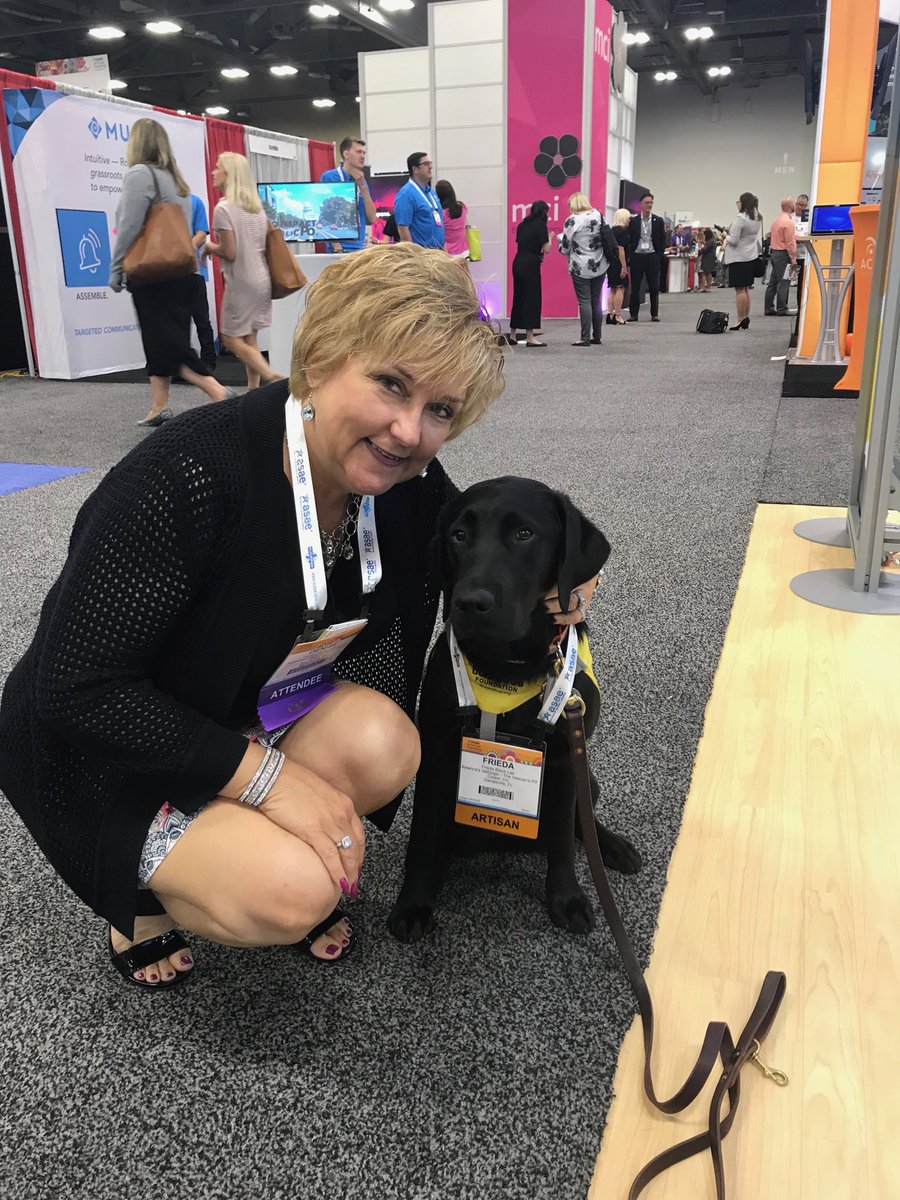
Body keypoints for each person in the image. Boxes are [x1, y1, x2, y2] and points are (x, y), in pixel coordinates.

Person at [0, 245, 602, 990]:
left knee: (386, 745)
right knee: (291, 891)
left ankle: (237, 832)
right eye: (390, 384)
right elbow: (74, 691)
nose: (409, 432)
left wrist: (565, 575)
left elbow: (477, 544)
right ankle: (141, 902)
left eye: (439, 410)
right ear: (318, 362)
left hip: (247, 706)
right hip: (106, 747)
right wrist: (271, 782)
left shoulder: (399, 479)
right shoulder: (184, 477)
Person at [109, 118, 231, 427]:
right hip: (183, 272)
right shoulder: (176, 182)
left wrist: (116, 266)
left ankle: (216, 391)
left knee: (165, 343)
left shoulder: (139, 175)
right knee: (162, 339)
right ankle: (159, 406)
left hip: (154, 276)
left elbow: (129, 226)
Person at [205, 151, 282, 391]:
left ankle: (272, 377)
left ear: (230, 174)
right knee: (250, 339)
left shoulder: (223, 209)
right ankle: (253, 391)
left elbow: (229, 252)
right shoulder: (257, 209)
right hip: (262, 279)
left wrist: (208, 246)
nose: (213, 172)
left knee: (230, 338)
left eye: (218, 167)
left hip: (241, 282)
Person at [556, 192, 610, 347]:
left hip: (580, 266)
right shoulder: (598, 215)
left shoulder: (572, 220)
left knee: (584, 301)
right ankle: (597, 335)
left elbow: (566, 247)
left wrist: (560, 246)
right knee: (596, 300)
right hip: (600, 263)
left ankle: (585, 337)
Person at [320, 136, 377, 254]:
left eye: (364, 152)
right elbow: (325, 214)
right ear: (346, 154)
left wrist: (363, 188)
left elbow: (372, 217)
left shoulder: (362, 181)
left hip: (359, 248)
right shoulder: (330, 177)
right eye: (358, 152)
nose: (362, 156)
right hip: (339, 249)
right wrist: (337, 247)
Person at [508, 201, 552, 347]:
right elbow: (547, 248)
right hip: (530, 264)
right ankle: (530, 336)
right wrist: (550, 237)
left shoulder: (522, 225)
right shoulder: (540, 226)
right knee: (532, 298)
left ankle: (513, 334)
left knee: (518, 297)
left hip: (518, 262)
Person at [724, 191, 763, 331]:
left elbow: (733, 241)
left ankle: (739, 318)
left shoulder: (740, 218)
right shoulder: (757, 218)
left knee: (739, 290)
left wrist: (725, 236)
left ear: (743, 203)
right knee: (746, 289)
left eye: (739, 202)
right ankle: (746, 316)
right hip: (750, 256)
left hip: (738, 257)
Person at [627, 192, 666, 322]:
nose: (649, 205)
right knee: (636, 287)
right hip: (637, 256)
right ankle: (634, 314)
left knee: (654, 286)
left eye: (651, 203)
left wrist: (658, 255)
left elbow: (662, 239)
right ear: (641, 205)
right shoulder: (633, 221)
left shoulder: (658, 221)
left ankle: (654, 313)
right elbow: (630, 239)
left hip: (652, 256)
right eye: (647, 203)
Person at [394, 153, 445, 250]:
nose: (430, 167)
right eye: (426, 164)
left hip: (438, 254)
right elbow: (403, 229)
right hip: (422, 256)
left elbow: (439, 226)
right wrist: (413, 257)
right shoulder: (406, 195)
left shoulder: (431, 192)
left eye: (430, 163)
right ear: (415, 169)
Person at [189, 192, 216, 372]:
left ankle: (208, 362)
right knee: (175, 324)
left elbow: (201, 234)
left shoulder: (194, 201)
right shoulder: (158, 201)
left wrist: (182, 251)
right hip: (167, 273)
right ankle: (180, 364)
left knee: (201, 320)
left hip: (193, 270)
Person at [765, 197, 798, 317]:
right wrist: (793, 259)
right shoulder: (788, 223)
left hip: (774, 253)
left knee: (773, 283)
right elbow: (790, 243)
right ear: (790, 206)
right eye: (794, 204)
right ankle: (782, 308)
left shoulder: (776, 221)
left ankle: (768, 308)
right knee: (784, 282)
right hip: (783, 255)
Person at [606, 208, 630, 325]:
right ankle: (617, 315)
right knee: (620, 288)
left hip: (610, 263)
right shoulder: (622, 232)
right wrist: (624, 267)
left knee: (612, 289)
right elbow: (621, 249)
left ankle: (609, 314)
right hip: (619, 263)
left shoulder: (611, 230)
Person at [435, 179, 469, 261]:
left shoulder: (440, 214)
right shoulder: (463, 206)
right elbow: (466, 225)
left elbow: (437, 234)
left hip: (448, 255)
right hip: (464, 252)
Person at [697, 227, 718, 293]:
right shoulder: (712, 241)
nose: (704, 236)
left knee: (708, 272)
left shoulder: (710, 241)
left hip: (708, 258)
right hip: (709, 258)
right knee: (706, 272)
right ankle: (706, 287)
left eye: (705, 235)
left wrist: (700, 250)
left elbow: (705, 249)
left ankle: (708, 287)